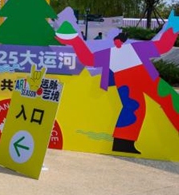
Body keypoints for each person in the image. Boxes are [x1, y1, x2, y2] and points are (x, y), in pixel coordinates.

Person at [56, 14, 179, 154]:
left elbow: (88, 59)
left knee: (138, 106)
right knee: (147, 104)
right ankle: (123, 142)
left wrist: (75, 41)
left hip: (131, 79)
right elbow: (163, 46)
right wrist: (173, 27)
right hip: (137, 78)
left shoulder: (117, 51)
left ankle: (123, 142)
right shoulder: (132, 48)